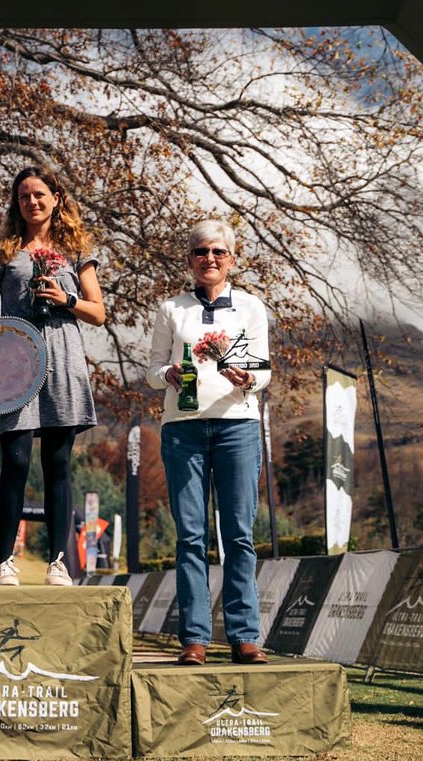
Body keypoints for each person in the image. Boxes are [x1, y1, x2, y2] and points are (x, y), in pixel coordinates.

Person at [0, 166, 106, 587]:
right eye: (24, 196)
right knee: (15, 461)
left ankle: (59, 562)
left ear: (56, 198)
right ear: (17, 203)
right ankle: (4, 562)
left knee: (58, 462)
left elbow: (98, 312)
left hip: (63, 358)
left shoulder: (76, 247)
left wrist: (66, 298)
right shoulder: (3, 251)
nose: (32, 201)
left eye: (40, 194)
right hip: (15, 360)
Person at [145, 218, 271, 666]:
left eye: (218, 252)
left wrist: (249, 378)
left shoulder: (253, 308)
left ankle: (244, 636)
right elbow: (152, 368)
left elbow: (264, 371)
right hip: (183, 429)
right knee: (191, 536)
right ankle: (194, 638)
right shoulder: (170, 309)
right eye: (201, 252)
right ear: (190, 260)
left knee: (238, 534)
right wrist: (169, 375)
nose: (209, 259)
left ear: (231, 260)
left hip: (237, 425)